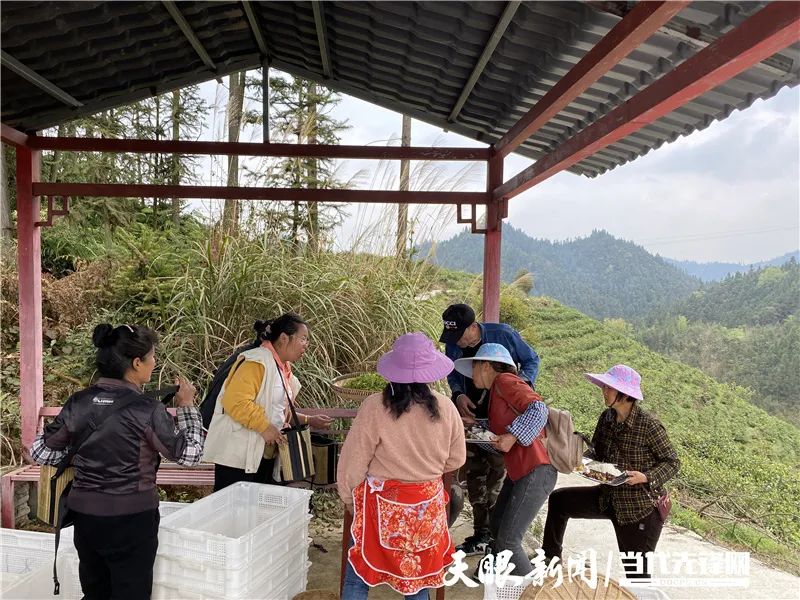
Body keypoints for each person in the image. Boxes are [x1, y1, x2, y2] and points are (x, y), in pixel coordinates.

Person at [30, 323, 204, 600]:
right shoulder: (148, 409)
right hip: (132, 519)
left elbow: (40, 452)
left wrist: (81, 454)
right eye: (152, 357)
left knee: (95, 592)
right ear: (136, 363)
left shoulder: (79, 402)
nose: (154, 362)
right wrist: (187, 407)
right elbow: (190, 455)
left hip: (85, 517)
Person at [337, 333, 466, 599]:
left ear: (393, 371)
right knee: (417, 581)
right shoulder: (446, 407)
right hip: (425, 505)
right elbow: (456, 459)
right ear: (431, 371)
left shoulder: (374, 406)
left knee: (357, 576)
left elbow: (354, 460)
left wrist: (350, 498)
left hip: (380, 505)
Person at [542, 364, 680, 581]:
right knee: (560, 501)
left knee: (638, 578)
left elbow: (672, 462)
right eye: (604, 387)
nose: (603, 391)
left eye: (609, 388)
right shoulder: (606, 418)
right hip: (608, 497)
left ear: (625, 395)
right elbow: (597, 451)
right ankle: (549, 562)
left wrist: (645, 477)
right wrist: (580, 459)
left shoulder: (649, 426)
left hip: (638, 509)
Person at [440, 303, 541, 556]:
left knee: (497, 478)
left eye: (460, 337)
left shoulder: (503, 336)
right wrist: (459, 394)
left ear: (473, 327)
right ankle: (481, 535)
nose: (456, 344)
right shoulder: (454, 343)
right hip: (474, 420)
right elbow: (453, 374)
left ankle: (498, 541)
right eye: (452, 339)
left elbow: (531, 360)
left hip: (502, 422)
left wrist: (520, 386)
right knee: (475, 478)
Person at [454, 343, 556, 577]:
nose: (472, 373)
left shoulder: (505, 381)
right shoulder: (495, 394)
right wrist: (477, 427)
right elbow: (499, 435)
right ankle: (503, 585)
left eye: (474, 365)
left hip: (536, 470)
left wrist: (512, 436)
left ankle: (533, 593)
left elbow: (539, 409)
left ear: (486, 365)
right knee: (498, 527)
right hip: (521, 473)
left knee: (509, 540)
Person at [204, 313, 332, 491]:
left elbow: (278, 412)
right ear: (284, 338)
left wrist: (309, 420)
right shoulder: (256, 362)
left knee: (257, 514)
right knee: (234, 513)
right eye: (303, 339)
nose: (306, 345)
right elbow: (236, 401)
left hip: (261, 456)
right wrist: (265, 427)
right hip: (239, 459)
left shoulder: (282, 368)